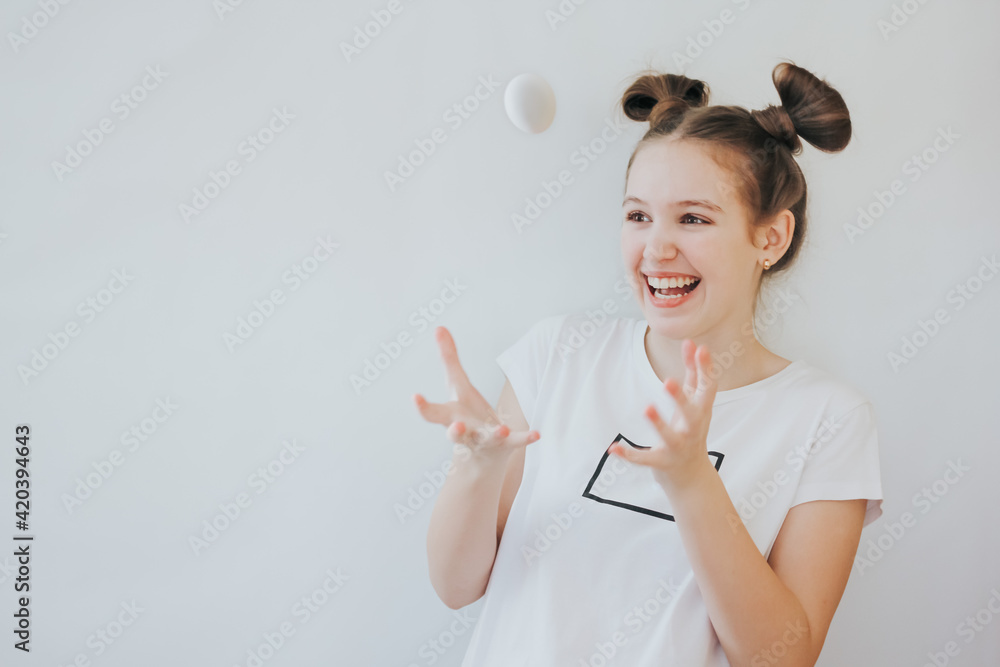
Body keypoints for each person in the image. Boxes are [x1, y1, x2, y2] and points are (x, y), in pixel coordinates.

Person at [414, 60, 884, 667]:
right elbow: (455, 588)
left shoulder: (828, 419)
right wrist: (474, 468)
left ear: (770, 237)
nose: (656, 250)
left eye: (693, 218)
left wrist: (692, 481)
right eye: (639, 215)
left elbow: (780, 658)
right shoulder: (558, 354)